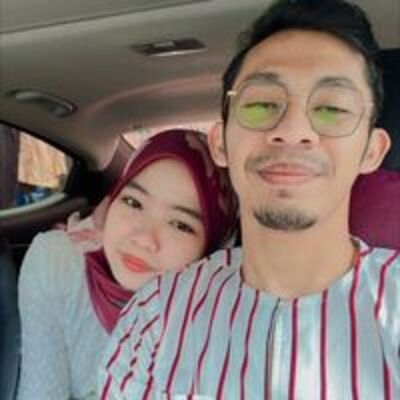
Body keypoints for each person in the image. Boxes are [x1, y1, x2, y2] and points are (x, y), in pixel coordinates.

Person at [98, 1, 400, 399]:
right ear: (221, 143)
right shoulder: (158, 314)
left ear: (371, 152)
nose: (293, 130)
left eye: (332, 109)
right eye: (262, 104)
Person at [17, 128, 238, 400]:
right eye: (133, 202)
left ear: (212, 248)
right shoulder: (58, 262)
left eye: (181, 225)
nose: (144, 239)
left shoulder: (222, 324)